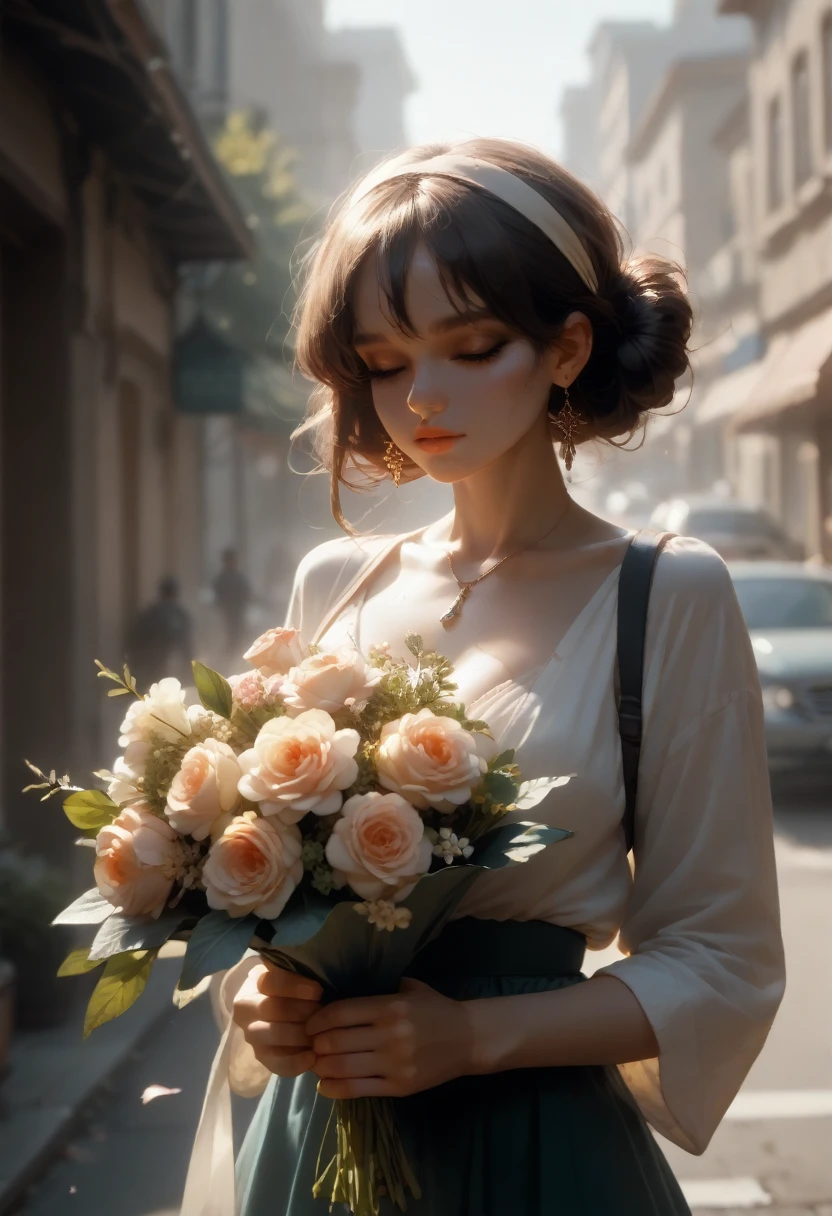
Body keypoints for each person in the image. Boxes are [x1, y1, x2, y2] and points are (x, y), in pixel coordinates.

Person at [186, 139, 786, 1216]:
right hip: (319, 1137)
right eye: (382, 360)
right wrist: (264, 997)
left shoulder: (668, 592)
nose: (420, 396)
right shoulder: (336, 581)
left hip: (534, 1148)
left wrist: (470, 1034)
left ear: (565, 346)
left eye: (469, 347)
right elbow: (264, 901)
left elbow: (719, 957)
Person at [125, 575, 193, 689]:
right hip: (168, 663)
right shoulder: (179, 614)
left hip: (149, 663)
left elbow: (134, 638)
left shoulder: (149, 612)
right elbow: (185, 644)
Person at [212, 547, 252, 658]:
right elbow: (218, 596)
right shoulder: (222, 578)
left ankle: (236, 653)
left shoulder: (239, 577)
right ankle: (231, 653)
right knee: (230, 633)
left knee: (238, 634)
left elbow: (246, 593)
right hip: (228, 612)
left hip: (238, 611)